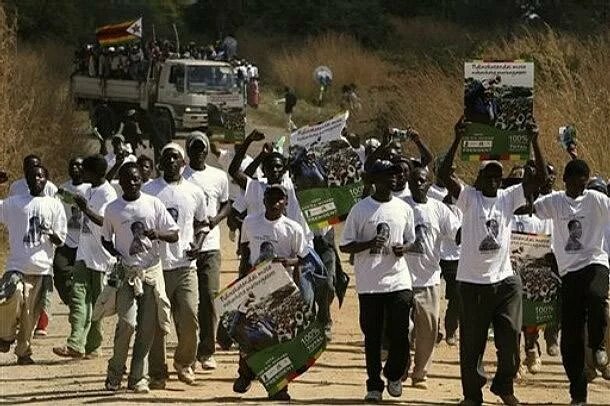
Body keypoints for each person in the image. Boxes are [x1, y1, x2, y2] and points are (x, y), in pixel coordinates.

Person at [437, 118, 543, 406]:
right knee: (472, 346)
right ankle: (472, 396)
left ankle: (504, 386)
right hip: (472, 284)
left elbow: (539, 179)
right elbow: (444, 172)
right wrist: (457, 138)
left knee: (510, 340)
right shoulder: (469, 198)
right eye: (489, 176)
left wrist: (534, 141)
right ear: (479, 179)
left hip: (505, 282)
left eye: (498, 177)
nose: (494, 181)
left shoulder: (509, 198)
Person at [534, 159, 610, 405]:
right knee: (571, 337)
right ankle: (578, 393)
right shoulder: (555, 202)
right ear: (566, 181)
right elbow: (531, 209)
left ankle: (598, 345)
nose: (581, 188)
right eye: (577, 184)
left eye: (584, 183)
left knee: (598, 296)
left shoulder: (596, 200)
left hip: (595, 261)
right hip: (568, 272)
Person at [340, 160, 416, 402]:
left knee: (401, 332)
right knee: (372, 337)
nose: (394, 178)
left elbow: (411, 240)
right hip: (370, 284)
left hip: (399, 281)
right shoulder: (361, 210)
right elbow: (345, 245)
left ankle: (394, 373)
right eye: (388, 175)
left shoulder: (404, 209)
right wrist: (369, 244)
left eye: (396, 174)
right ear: (375, 180)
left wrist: (404, 248)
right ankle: (374, 385)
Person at [102, 162, 178, 393]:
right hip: (127, 273)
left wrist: (158, 234)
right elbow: (106, 238)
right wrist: (116, 254)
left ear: (142, 180)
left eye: (136, 178)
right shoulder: (113, 208)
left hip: (151, 273)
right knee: (127, 323)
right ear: (121, 183)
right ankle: (115, 371)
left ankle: (138, 377)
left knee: (147, 328)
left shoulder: (153, 204)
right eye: (128, 179)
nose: (133, 182)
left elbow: (174, 234)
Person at [232, 184, 309, 401]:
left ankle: (278, 387)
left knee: (277, 339)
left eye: (280, 199)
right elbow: (246, 253)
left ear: (286, 203)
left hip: (282, 290)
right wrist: (241, 283)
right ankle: (245, 374)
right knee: (248, 334)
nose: (275, 203)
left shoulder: (293, 228)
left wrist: (287, 262)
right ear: (264, 200)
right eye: (271, 198)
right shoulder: (250, 222)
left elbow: (303, 258)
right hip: (254, 287)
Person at [144, 143, 209, 389]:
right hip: (156, 266)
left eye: (176, 158)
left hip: (184, 265)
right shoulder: (149, 191)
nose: (171, 161)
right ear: (160, 163)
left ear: (183, 163)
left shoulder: (194, 192)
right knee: (157, 324)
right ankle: (157, 373)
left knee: (190, 316)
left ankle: (184, 362)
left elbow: (203, 224)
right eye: (167, 157)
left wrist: (199, 244)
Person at [0, 165, 67, 364]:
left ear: (46, 180)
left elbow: (60, 238)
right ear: (26, 180)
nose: (37, 179)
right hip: (17, 266)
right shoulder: (14, 203)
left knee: (30, 314)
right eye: (33, 176)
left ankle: (24, 352)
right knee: (10, 295)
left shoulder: (54, 205)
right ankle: (5, 335)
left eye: (41, 176)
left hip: (41, 268)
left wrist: (50, 233)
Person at [52, 155, 117, 359]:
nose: (82, 174)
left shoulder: (108, 194)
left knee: (97, 304)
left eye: (85, 171)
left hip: (101, 258)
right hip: (83, 253)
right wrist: (65, 196)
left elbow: (103, 221)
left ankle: (93, 346)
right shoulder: (88, 190)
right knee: (78, 299)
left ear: (95, 173)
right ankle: (75, 343)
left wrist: (85, 208)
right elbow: (77, 205)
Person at [402, 166, 461, 389]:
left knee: (428, 330)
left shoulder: (440, 209)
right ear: (409, 182)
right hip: (401, 279)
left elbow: (458, 233)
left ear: (429, 184)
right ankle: (401, 365)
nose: (419, 184)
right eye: (415, 180)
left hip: (428, 279)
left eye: (423, 181)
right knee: (402, 328)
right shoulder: (400, 206)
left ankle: (420, 373)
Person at [182, 131, 230, 370]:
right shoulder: (181, 177)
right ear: (188, 150)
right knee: (189, 304)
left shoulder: (218, 176)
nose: (199, 152)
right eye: (195, 148)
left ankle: (207, 350)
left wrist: (216, 219)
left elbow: (227, 203)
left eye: (202, 148)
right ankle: (187, 352)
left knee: (209, 298)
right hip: (186, 248)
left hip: (210, 247)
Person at [9, 155, 59, 336]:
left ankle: (41, 324)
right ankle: (10, 330)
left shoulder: (51, 190)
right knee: (14, 295)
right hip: (20, 251)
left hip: (43, 251)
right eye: (30, 170)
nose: (36, 177)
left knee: (41, 294)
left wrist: (52, 234)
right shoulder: (15, 188)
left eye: (38, 170)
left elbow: (58, 219)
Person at [53, 157, 88, 306]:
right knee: (59, 269)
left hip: (85, 241)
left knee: (85, 275)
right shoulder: (62, 188)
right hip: (66, 239)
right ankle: (70, 300)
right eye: (72, 165)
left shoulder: (90, 188)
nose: (75, 168)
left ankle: (85, 302)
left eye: (79, 165)